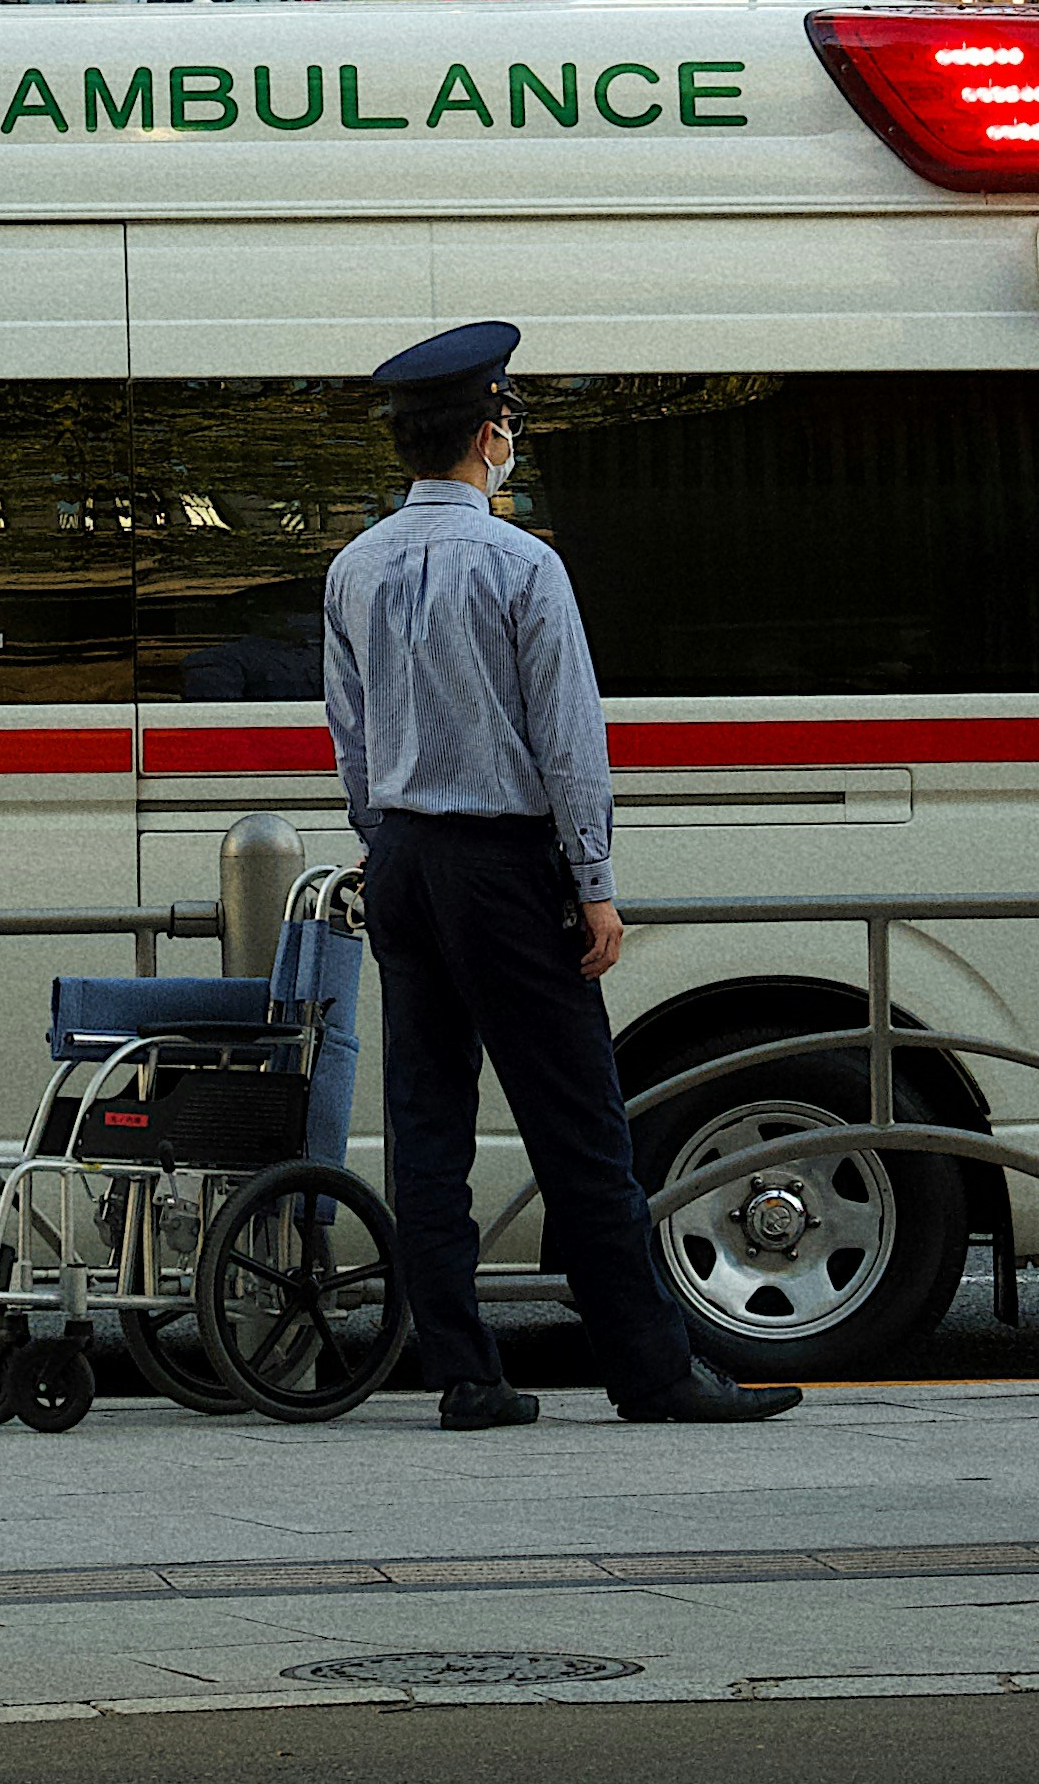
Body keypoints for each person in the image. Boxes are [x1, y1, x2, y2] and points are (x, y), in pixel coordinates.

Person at [322, 322, 801, 1432]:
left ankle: (465, 1372)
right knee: (579, 1122)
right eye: (510, 426)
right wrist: (593, 878)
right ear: (491, 432)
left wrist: (383, 832)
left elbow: (347, 730)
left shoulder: (354, 565)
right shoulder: (521, 563)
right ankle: (652, 1368)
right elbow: (568, 739)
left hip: (397, 857)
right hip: (501, 864)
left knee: (425, 1118)